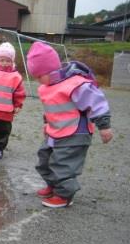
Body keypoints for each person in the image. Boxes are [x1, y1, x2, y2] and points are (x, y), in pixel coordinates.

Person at [26, 41, 113, 208]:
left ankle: (65, 195)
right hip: (55, 131)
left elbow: (97, 103)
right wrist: (47, 124)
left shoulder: (76, 84)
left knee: (63, 164)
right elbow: (51, 109)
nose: (38, 80)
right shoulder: (47, 87)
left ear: (51, 70)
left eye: (39, 75)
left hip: (75, 133)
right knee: (44, 159)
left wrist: (104, 126)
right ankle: (54, 185)